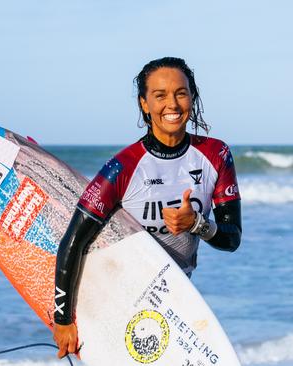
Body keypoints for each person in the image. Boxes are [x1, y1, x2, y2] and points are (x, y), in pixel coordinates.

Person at [52, 57, 242, 359]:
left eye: (181, 93)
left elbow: (231, 238)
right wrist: (62, 320)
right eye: (160, 95)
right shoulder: (123, 167)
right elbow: (73, 242)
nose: (173, 104)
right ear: (144, 104)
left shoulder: (215, 155)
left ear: (192, 97)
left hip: (175, 299)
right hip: (117, 297)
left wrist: (196, 224)